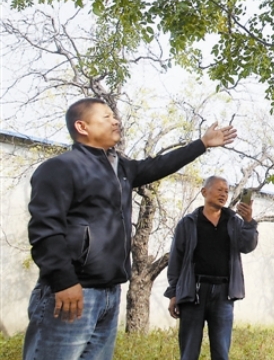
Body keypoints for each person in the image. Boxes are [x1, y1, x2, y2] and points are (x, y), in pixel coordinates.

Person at [23, 97, 237, 360]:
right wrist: (63, 280)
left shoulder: (120, 169)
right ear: (82, 126)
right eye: (106, 117)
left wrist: (202, 144)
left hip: (110, 294)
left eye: (114, 116)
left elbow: (159, 165)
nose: (115, 121)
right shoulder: (59, 168)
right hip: (73, 292)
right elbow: (45, 230)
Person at [165, 176, 258, 360]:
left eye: (226, 191)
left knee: (221, 353)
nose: (224, 194)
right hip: (193, 293)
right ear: (204, 192)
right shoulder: (188, 223)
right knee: (189, 353)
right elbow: (176, 259)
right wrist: (174, 293)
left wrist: (249, 222)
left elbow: (247, 246)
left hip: (223, 294)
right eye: (219, 189)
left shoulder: (234, 221)